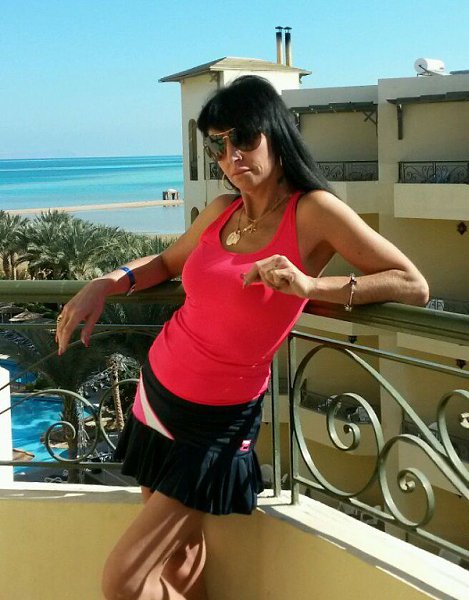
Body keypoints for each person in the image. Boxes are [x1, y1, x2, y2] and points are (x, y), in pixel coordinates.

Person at [55, 75, 429, 600]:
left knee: (125, 581)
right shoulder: (221, 211)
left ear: (275, 134)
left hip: (215, 421)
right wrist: (106, 283)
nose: (231, 156)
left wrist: (309, 286)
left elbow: (412, 283)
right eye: (218, 145)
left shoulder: (313, 211)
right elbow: (165, 262)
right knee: (182, 558)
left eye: (244, 139)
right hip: (156, 395)